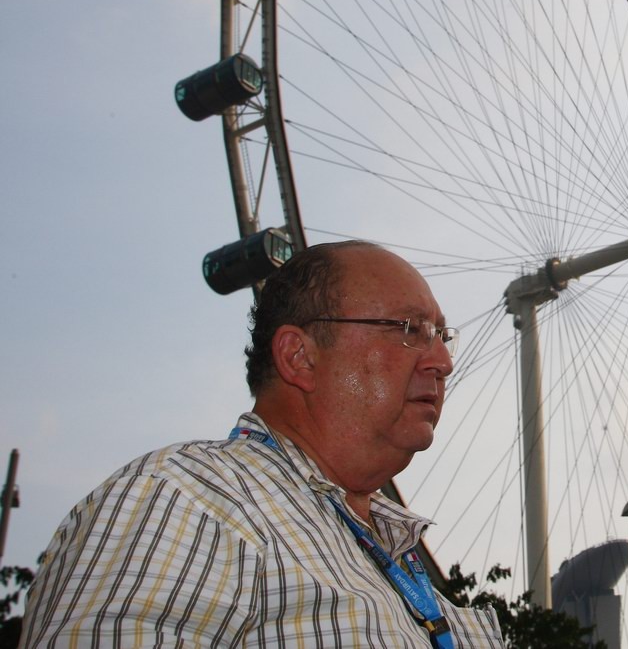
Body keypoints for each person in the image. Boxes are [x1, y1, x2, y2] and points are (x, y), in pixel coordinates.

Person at [20, 241, 503, 647]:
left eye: (441, 335)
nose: (442, 361)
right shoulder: (188, 500)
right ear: (300, 357)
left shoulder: (411, 576)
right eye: (408, 330)